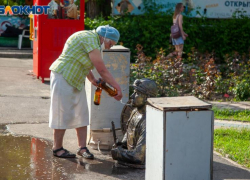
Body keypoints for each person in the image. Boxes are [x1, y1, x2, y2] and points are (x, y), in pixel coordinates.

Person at [49, 25, 123, 159]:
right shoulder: (90, 39)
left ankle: (82, 148)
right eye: (110, 44)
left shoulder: (93, 40)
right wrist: (117, 87)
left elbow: (82, 60)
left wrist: (92, 79)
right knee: (61, 113)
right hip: (63, 76)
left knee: (81, 113)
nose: (110, 47)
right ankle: (57, 148)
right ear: (105, 38)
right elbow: (102, 70)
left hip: (75, 78)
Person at [111, 78, 158, 168]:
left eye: (136, 93)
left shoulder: (148, 121)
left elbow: (139, 156)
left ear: (146, 98)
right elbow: (130, 132)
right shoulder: (135, 112)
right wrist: (122, 144)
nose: (132, 96)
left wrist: (118, 153)